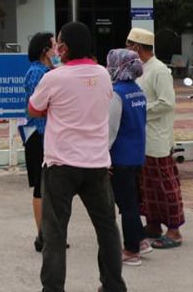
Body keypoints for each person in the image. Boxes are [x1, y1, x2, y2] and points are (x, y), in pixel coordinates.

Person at [29, 22, 126, 292]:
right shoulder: (105, 75)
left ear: (64, 47)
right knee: (106, 228)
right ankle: (113, 285)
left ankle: (53, 289)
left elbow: (34, 109)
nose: (57, 47)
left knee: (55, 233)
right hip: (96, 164)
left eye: (59, 42)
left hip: (61, 164)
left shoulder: (54, 77)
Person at [125, 27, 183, 249]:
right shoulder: (142, 70)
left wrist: (139, 110)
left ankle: (175, 231)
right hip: (143, 138)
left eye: (128, 46)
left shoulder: (158, 70)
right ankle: (153, 226)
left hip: (157, 139)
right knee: (146, 187)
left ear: (137, 48)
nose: (127, 50)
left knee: (164, 186)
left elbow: (167, 103)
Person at [106, 48, 152, 266]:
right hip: (135, 154)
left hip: (120, 157)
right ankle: (141, 240)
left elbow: (111, 130)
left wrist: (102, 155)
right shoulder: (137, 90)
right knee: (130, 201)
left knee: (126, 204)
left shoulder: (117, 93)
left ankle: (132, 251)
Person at [22, 32, 56, 252]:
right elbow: (37, 107)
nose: (56, 49)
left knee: (52, 187)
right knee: (41, 186)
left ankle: (51, 232)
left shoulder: (49, 71)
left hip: (48, 134)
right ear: (45, 49)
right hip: (38, 134)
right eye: (53, 45)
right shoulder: (38, 73)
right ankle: (42, 234)